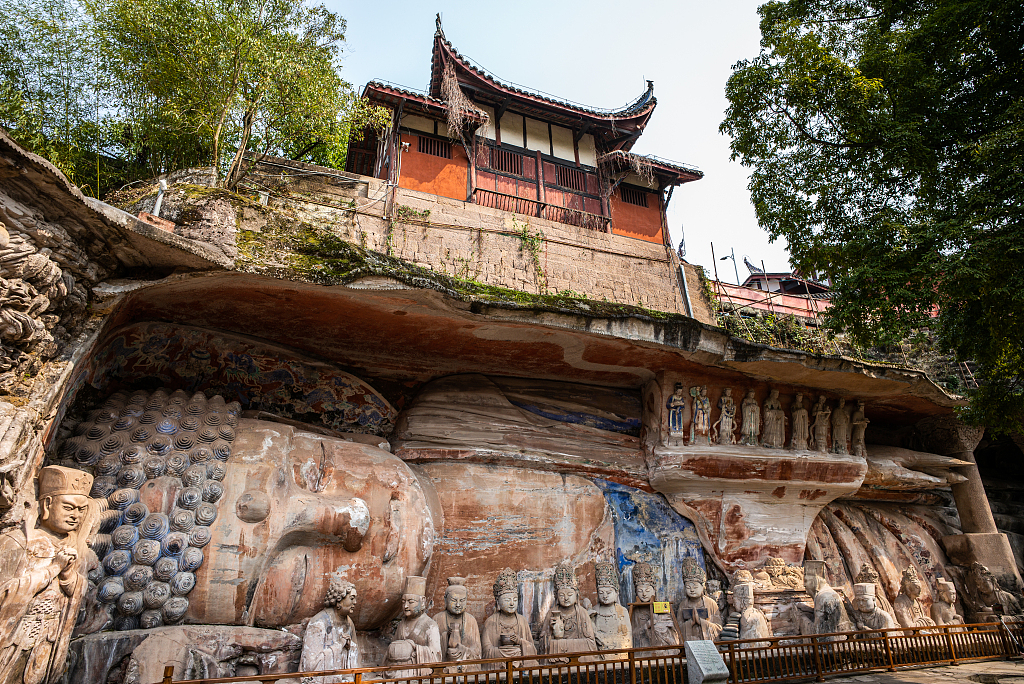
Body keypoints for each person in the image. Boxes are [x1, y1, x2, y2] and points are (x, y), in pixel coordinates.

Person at [0, 466, 93, 684]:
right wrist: (54, 568)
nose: (75, 516)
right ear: (48, 504)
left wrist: (69, 575)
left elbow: (75, 594)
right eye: (69, 507)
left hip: (49, 637)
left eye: (81, 510)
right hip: (13, 635)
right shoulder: (17, 542)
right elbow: (5, 591)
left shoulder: (78, 549)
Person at [300, 573, 359, 683]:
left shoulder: (349, 622)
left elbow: (354, 652)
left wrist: (349, 646)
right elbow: (310, 665)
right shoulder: (319, 623)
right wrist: (339, 645)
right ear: (338, 600)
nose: (355, 602)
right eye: (351, 598)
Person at [381, 576, 441, 676]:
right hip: (398, 672)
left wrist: (414, 648)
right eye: (403, 602)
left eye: (411, 602)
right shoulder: (402, 624)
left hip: (418, 673)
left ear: (422, 601)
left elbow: (436, 656)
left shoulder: (430, 625)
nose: (405, 606)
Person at [540, 561, 597, 661]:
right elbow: (543, 644)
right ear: (556, 596)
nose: (566, 598)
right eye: (562, 595)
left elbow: (591, 643)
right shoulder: (551, 613)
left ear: (576, 594)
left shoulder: (582, 613)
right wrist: (550, 631)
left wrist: (562, 645)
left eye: (570, 595)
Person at [481, 568, 536, 666]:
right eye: (507, 600)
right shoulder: (491, 622)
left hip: (519, 662)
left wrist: (520, 641)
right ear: (498, 602)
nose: (511, 603)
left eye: (515, 600)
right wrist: (503, 652)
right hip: (499, 662)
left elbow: (532, 649)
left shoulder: (522, 620)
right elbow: (486, 651)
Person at [630, 561, 681, 654]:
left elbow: (673, 632)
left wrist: (662, 624)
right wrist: (645, 626)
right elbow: (631, 635)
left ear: (654, 591)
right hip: (643, 650)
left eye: (647, 590)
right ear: (636, 592)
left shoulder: (661, 606)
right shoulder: (635, 610)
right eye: (640, 590)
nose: (644, 594)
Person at [432, 577, 481, 671]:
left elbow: (477, 652)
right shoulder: (437, 619)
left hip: (467, 669)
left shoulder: (471, 620)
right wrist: (446, 636)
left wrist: (463, 650)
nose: (458, 605)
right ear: (445, 600)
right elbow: (433, 650)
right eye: (454, 600)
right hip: (444, 669)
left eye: (462, 600)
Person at [798, 560, 852, 641]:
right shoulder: (825, 593)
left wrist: (803, 618)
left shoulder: (823, 597)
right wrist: (808, 609)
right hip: (842, 637)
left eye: (806, 581)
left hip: (831, 642)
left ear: (815, 580)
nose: (805, 585)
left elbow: (818, 631)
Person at [589, 562, 631, 659]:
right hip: (600, 653)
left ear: (616, 593)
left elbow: (627, 637)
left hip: (618, 652)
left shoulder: (622, 611)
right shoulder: (595, 611)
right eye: (601, 592)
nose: (605, 596)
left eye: (609, 592)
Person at [676, 557, 722, 642]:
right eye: (688, 587)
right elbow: (678, 629)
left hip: (706, 642)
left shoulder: (711, 603)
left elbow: (718, 628)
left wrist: (701, 622)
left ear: (703, 587)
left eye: (695, 587)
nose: (692, 590)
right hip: (690, 641)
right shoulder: (683, 604)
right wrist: (691, 623)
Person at [893, 567, 936, 635]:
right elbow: (907, 628)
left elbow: (924, 619)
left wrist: (925, 622)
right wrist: (923, 622)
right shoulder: (900, 601)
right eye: (916, 587)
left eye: (920, 588)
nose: (920, 590)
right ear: (908, 587)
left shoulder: (916, 601)